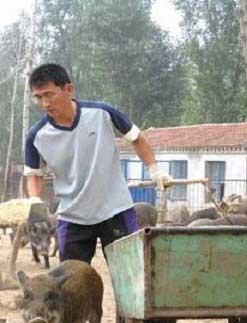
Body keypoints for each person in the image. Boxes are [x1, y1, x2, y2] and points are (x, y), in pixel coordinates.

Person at [24, 63, 170, 264]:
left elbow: (136, 138)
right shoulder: (36, 136)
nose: (45, 103)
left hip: (115, 209)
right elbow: (34, 174)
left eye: (49, 94)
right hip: (73, 216)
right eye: (38, 97)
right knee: (69, 282)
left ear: (69, 89)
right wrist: (34, 200)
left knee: (132, 273)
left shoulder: (102, 113)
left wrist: (155, 170)